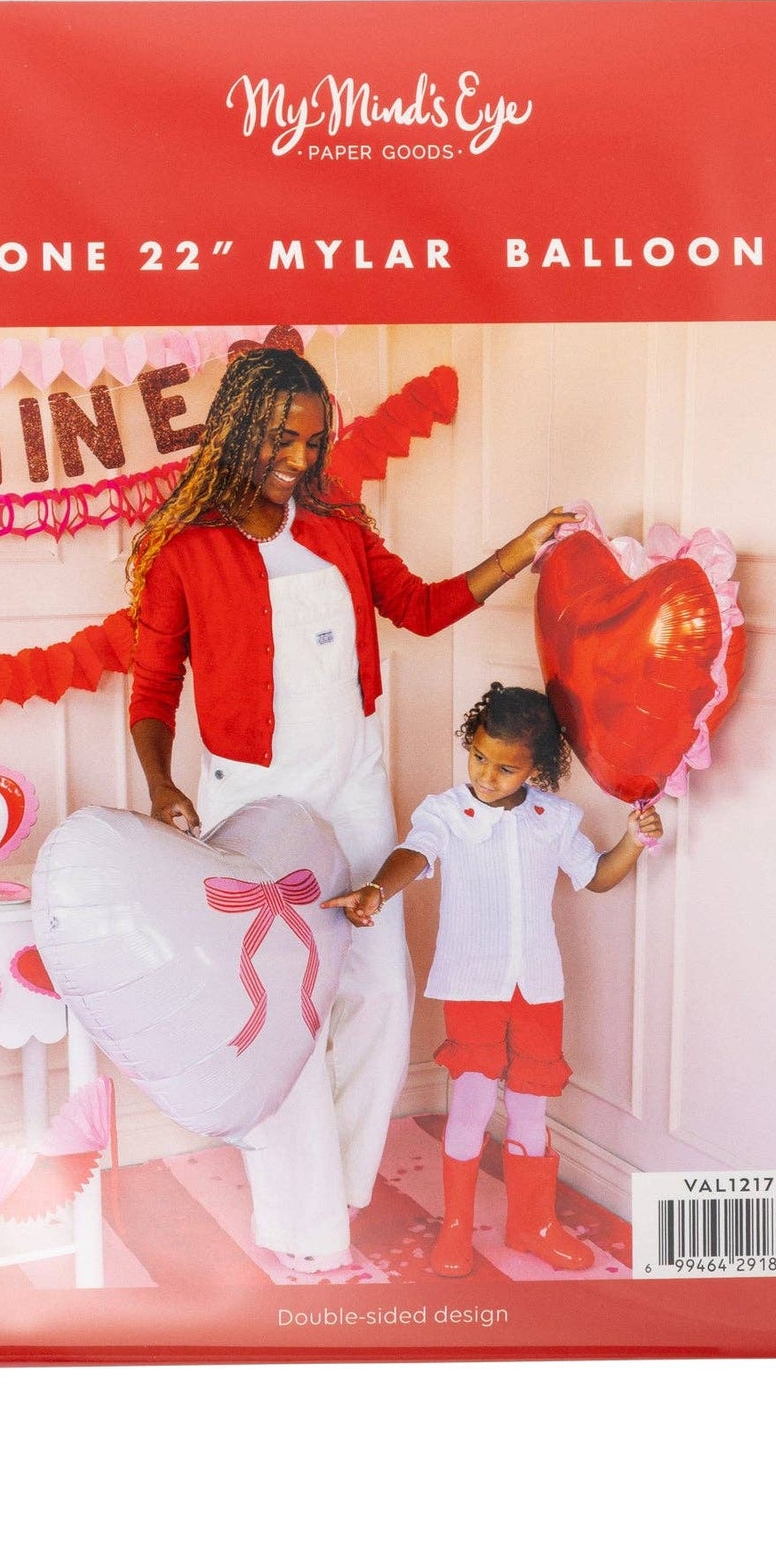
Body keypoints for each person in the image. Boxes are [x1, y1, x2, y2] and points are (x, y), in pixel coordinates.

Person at [126, 330, 573, 1271]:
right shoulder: (185, 555)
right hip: (255, 803)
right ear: (237, 430)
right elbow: (153, 694)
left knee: (378, 993)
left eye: (311, 440)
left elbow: (421, 607)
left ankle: (341, 1188)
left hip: (355, 793)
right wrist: (164, 786)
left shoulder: (339, 531)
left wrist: (520, 550)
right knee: (285, 1012)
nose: (297, 458)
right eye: (280, 438)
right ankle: (301, 1223)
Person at [324, 682, 661, 1275]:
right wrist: (377, 889)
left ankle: (532, 1224)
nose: (486, 774)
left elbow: (598, 876)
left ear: (538, 768)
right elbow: (416, 854)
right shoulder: (445, 813)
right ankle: (456, 1228)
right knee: (473, 1102)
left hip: (538, 988)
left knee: (530, 1109)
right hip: (472, 986)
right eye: (479, 757)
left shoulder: (554, 819)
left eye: (506, 768)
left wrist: (635, 840)